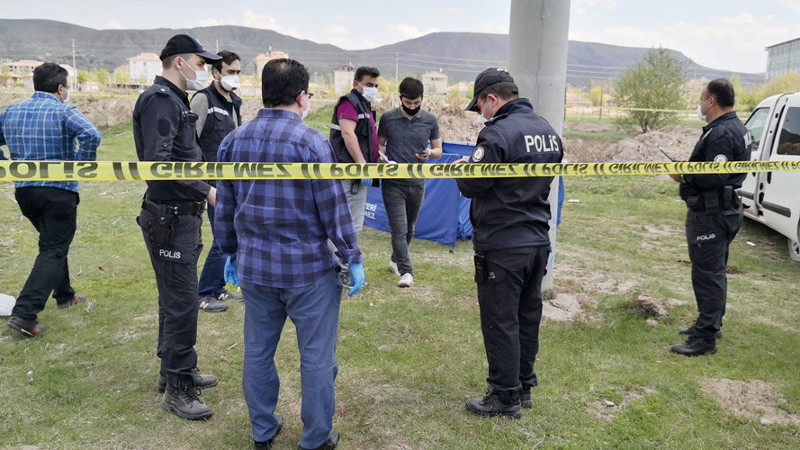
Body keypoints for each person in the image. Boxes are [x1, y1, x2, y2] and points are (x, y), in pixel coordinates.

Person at [216, 58, 364, 450]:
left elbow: (224, 206)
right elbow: (333, 208)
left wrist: (229, 251)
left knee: (258, 352)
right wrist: (352, 256)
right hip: (309, 273)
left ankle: (263, 430)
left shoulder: (233, 142)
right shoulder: (312, 143)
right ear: (301, 96)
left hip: (255, 269)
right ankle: (315, 438)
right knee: (316, 357)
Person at [456, 68, 563, 419]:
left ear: (491, 98)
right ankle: (523, 386)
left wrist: (461, 170)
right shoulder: (547, 130)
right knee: (527, 316)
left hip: (503, 242)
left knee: (500, 320)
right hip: (537, 239)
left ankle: (504, 396)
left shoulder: (497, 133)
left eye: (480, 107)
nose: (481, 114)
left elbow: (474, 185)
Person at [132, 34, 221, 421]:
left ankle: (172, 371)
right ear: (179, 62)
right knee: (182, 303)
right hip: (169, 217)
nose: (204, 71)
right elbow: (161, 164)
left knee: (174, 300)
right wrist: (208, 191)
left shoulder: (174, 99)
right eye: (200, 64)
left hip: (181, 216)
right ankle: (178, 388)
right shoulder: (160, 100)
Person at [0, 62, 101, 337]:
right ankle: (25, 314)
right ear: (60, 88)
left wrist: (5, 165)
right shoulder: (63, 110)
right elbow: (91, 134)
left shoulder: (10, 112)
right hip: (58, 192)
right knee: (53, 249)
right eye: (67, 87)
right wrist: (81, 166)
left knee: (53, 243)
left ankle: (65, 295)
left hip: (25, 193)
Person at [670, 78, 750, 357]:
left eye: (702, 98)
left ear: (712, 101)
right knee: (713, 270)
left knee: (708, 274)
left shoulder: (722, 133)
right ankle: (709, 325)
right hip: (721, 210)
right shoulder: (734, 127)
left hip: (712, 213)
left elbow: (714, 176)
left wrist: (683, 174)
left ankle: (705, 338)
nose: (700, 104)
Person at [190, 49, 243, 313]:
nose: (235, 76)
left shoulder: (235, 102)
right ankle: (203, 293)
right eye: (230, 71)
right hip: (211, 182)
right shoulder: (203, 99)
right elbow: (189, 143)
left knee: (231, 234)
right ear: (216, 72)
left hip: (230, 181)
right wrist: (202, 187)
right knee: (222, 239)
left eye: (238, 72)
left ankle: (217, 286)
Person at [377, 77, 442, 287]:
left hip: (417, 182)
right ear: (400, 98)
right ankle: (406, 272)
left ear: (422, 99)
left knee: (410, 227)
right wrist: (382, 157)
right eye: (408, 103)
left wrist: (430, 153)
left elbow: (438, 150)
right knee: (399, 229)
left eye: (416, 103)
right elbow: (379, 145)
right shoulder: (388, 119)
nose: (412, 107)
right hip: (393, 182)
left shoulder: (430, 120)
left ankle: (395, 260)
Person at [329, 66, 380, 286]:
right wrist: (361, 165)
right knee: (348, 224)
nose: (373, 89)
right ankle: (342, 270)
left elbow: (365, 138)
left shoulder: (364, 105)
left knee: (352, 223)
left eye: (376, 85)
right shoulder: (349, 103)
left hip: (358, 173)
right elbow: (348, 133)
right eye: (369, 85)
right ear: (356, 83)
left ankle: (343, 267)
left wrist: (379, 157)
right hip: (350, 174)